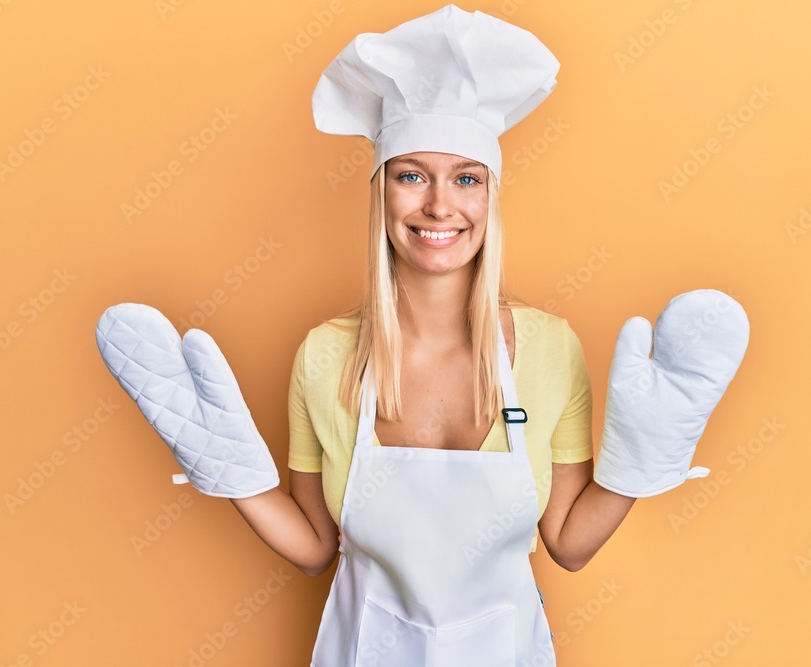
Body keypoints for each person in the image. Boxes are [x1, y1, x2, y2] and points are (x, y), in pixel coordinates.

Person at [94, 6, 749, 665]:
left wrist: (644, 458)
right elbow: (316, 547)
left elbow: (571, 544)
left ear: (490, 196)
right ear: (381, 192)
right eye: (412, 176)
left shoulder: (551, 349)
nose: (440, 206)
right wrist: (229, 469)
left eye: (466, 178)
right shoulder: (327, 357)